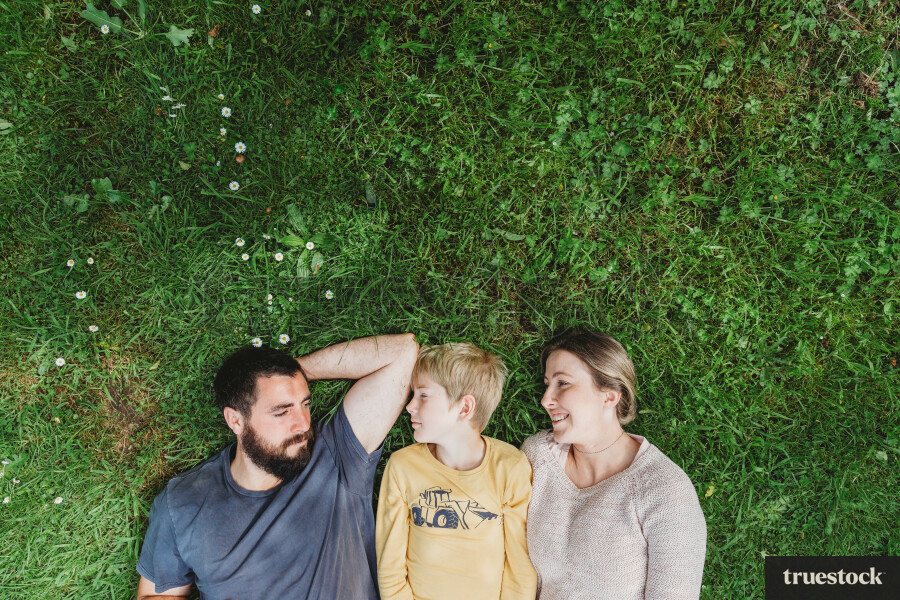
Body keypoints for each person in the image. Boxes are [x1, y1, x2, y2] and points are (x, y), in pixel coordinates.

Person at [135, 333, 418, 600]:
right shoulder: (183, 502)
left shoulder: (337, 453)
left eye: (304, 404)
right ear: (235, 420)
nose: (303, 424)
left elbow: (402, 353)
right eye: (282, 411)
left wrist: (295, 371)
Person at [521, 329, 707, 600]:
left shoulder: (665, 490)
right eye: (547, 383)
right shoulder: (537, 458)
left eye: (563, 383)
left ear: (609, 396)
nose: (546, 399)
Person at [376, 343, 537, 600]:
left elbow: (520, 565)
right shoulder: (403, 466)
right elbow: (389, 561)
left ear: (464, 408)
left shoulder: (509, 467)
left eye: (423, 395)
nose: (410, 406)